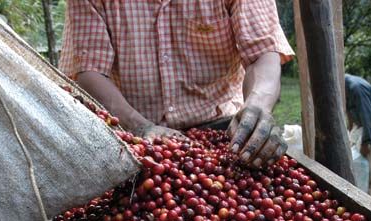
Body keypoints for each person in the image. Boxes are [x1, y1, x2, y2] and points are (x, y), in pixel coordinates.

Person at [59, 1, 294, 167]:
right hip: (131, 136)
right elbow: (89, 71)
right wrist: (139, 127)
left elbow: (261, 54)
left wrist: (258, 105)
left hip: (223, 131)